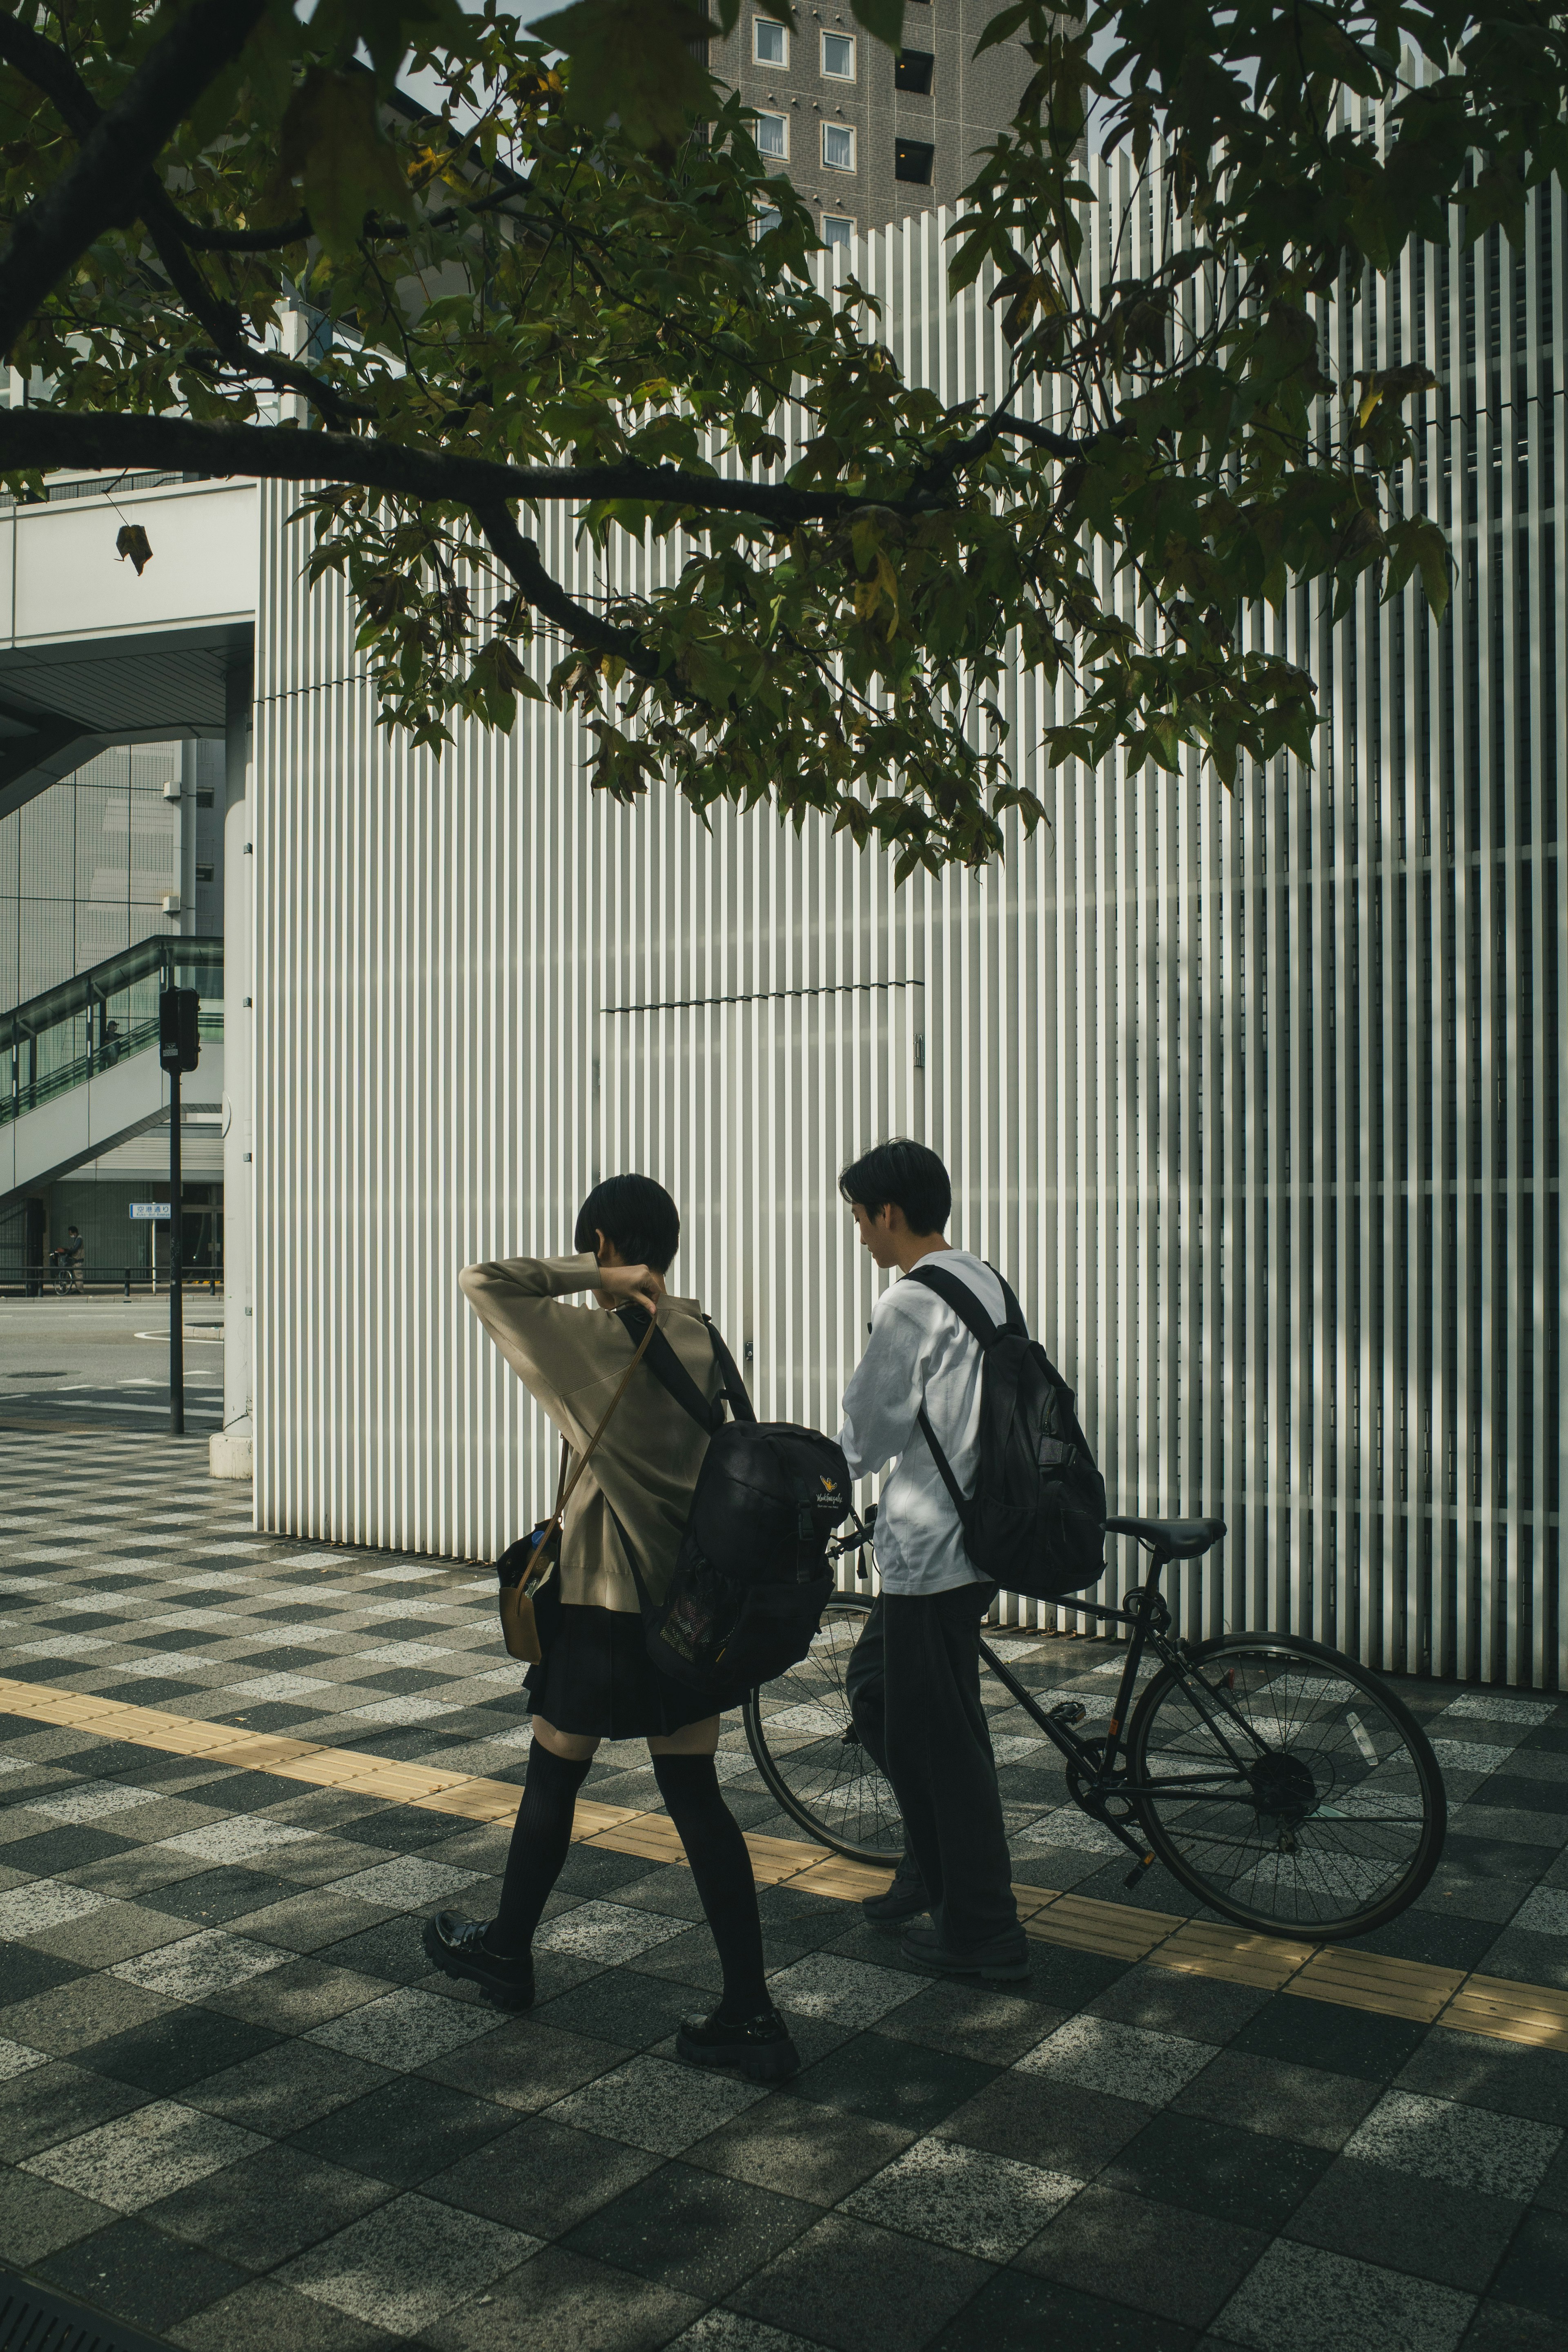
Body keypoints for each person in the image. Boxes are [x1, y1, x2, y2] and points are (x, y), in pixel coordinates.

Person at [425, 1174, 799, 2080]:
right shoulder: (700, 1334)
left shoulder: (587, 1334)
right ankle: (751, 2011)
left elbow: (482, 1280)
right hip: (692, 1611)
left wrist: (593, 1277)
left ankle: (509, 1952)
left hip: (602, 1605)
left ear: (602, 1244)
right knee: (697, 1795)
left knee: (555, 1772)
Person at [836, 1139, 1028, 1981]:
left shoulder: (910, 1301)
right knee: (883, 1691)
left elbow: (869, 1432)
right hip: (979, 1535)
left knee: (942, 1743)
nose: (860, 1236)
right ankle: (927, 1860)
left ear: (889, 1211)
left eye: (860, 1218)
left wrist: (821, 1475)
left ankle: (984, 1932)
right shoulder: (984, 1278)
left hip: (932, 1549)